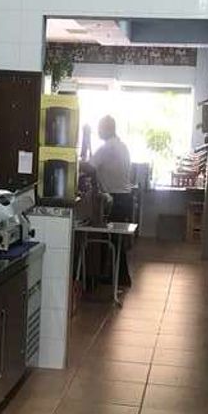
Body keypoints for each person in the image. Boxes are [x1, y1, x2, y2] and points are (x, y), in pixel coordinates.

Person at [90, 115, 134, 287]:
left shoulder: (107, 148)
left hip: (115, 198)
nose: (98, 131)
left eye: (100, 128)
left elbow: (89, 167)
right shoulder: (123, 146)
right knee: (117, 240)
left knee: (111, 240)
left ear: (108, 129)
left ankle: (114, 276)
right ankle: (120, 277)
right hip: (125, 197)